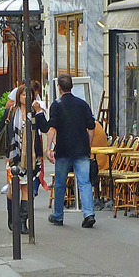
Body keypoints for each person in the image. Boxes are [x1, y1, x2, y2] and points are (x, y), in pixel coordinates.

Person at [33, 74, 96, 228]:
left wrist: (49, 149)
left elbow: (52, 128)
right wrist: (88, 145)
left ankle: (58, 215)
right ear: (72, 87)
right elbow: (91, 127)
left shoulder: (56, 105)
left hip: (64, 149)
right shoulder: (82, 104)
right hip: (81, 148)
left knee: (60, 183)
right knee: (85, 182)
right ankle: (89, 214)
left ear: (59, 88)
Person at [3, 83, 44, 234]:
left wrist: (39, 112)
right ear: (18, 96)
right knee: (13, 187)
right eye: (23, 94)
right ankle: (12, 218)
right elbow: (1, 130)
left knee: (26, 188)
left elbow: (45, 128)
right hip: (14, 156)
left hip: (30, 156)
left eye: (29, 94)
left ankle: (22, 222)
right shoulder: (11, 112)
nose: (26, 97)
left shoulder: (34, 113)